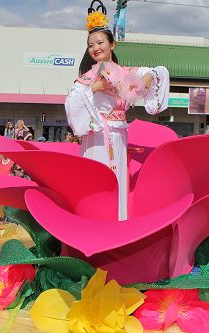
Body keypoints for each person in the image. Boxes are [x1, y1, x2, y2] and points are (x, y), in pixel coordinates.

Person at [64, 3, 169, 220]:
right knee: (97, 182)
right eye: (91, 45)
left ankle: (117, 225)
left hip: (119, 135)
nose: (96, 48)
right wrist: (95, 88)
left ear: (112, 44)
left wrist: (146, 78)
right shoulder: (87, 78)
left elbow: (158, 71)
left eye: (100, 42)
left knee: (119, 180)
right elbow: (72, 102)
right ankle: (94, 222)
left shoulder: (126, 73)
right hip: (97, 138)